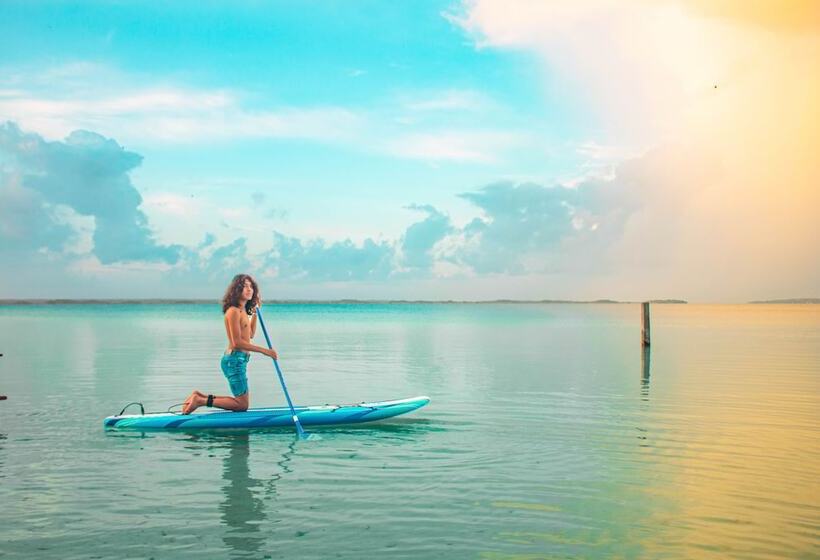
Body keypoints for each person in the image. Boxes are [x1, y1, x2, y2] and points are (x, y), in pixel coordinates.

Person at [182, 274, 278, 414]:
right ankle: (200, 401)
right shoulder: (233, 311)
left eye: (251, 286)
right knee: (242, 405)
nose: (249, 289)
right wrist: (265, 351)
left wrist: (256, 312)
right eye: (245, 286)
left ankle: (200, 397)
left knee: (241, 402)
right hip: (234, 361)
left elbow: (250, 334)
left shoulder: (243, 311)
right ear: (237, 289)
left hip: (239, 360)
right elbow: (237, 343)